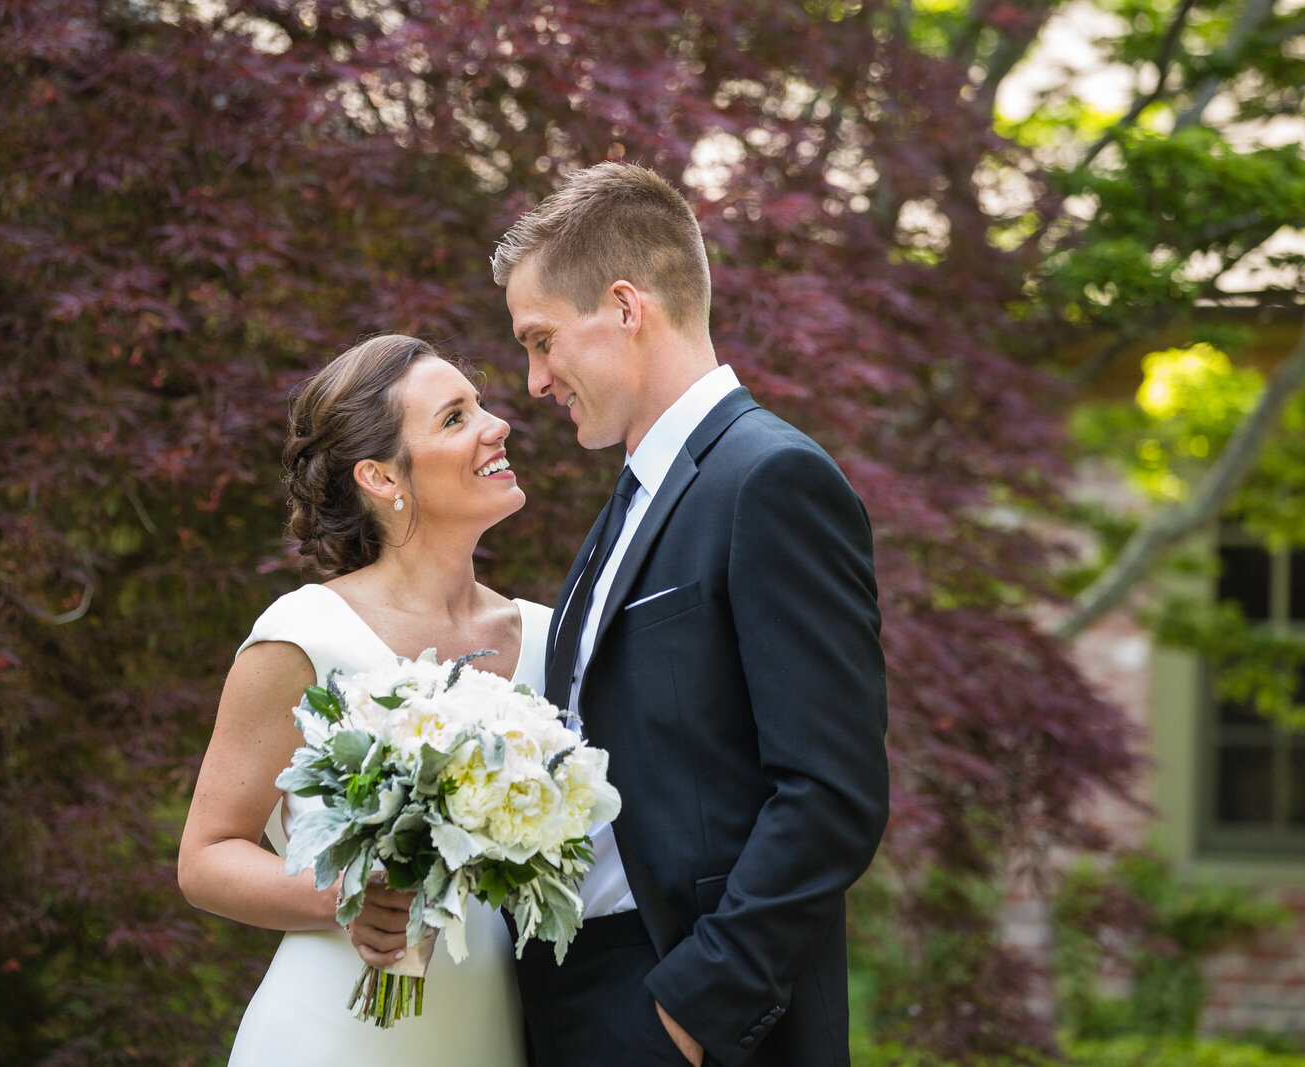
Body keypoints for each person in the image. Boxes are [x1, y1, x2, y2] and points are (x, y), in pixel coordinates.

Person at [491, 162, 889, 1066]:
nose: (534, 378)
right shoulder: (635, 497)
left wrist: (688, 1017)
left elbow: (832, 794)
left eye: (542, 339)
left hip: (689, 1011)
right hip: (577, 998)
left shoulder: (771, 479)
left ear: (626, 307)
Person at [177, 335, 536, 1065]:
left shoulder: (552, 636)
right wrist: (346, 894)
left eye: (482, 407)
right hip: (329, 1039)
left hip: (492, 1034)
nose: (496, 424)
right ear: (380, 475)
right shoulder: (302, 635)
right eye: (455, 417)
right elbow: (205, 857)